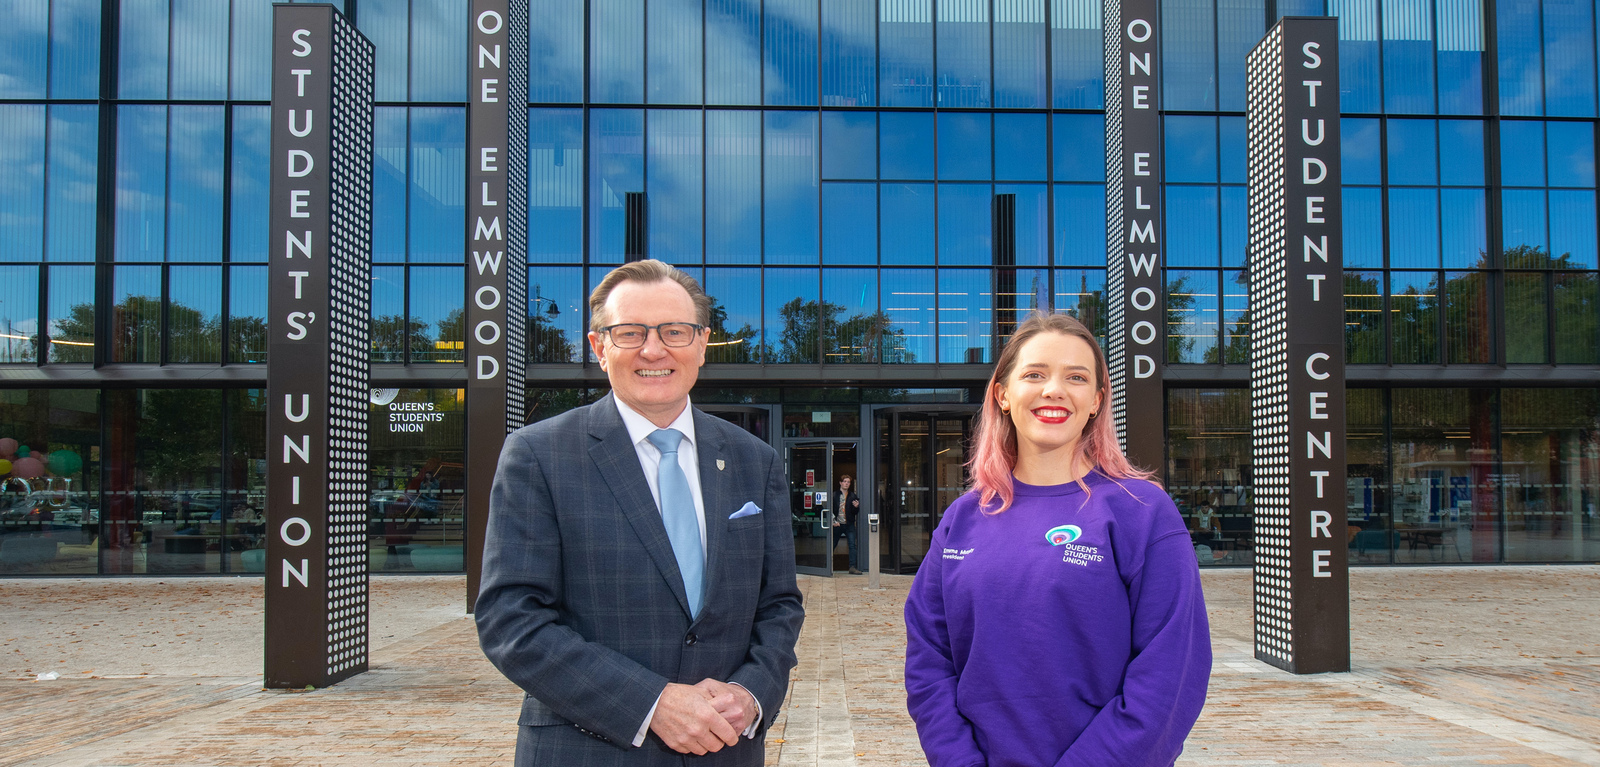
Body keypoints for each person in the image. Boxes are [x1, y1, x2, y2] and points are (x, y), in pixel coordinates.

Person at [476, 259, 805, 767]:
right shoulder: (538, 454)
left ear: (701, 343)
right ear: (599, 347)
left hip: (727, 748)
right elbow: (510, 619)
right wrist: (652, 704)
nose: (654, 350)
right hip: (588, 750)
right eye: (629, 332)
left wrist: (752, 692)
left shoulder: (752, 459)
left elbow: (779, 603)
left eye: (675, 331)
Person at [903, 312, 1211, 766]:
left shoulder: (1140, 512)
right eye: (1035, 374)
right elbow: (929, 660)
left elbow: (1170, 675)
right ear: (1002, 395)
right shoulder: (962, 520)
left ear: (1096, 401)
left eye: (1076, 377)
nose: (1054, 390)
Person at [831, 474, 862, 575]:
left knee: (852, 545)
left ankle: (852, 567)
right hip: (837, 524)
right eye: (845, 481)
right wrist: (833, 521)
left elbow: (854, 512)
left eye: (848, 482)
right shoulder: (834, 495)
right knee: (833, 544)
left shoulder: (852, 496)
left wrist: (856, 507)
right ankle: (827, 566)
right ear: (840, 483)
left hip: (849, 524)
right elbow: (828, 509)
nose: (846, 483)